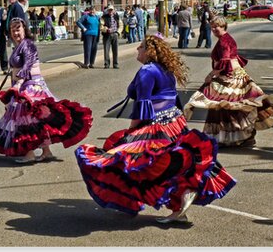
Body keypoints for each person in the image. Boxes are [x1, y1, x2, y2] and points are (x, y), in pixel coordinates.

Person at [75, 34, 236, 222]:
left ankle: (180, 195)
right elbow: (173, 99)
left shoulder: (147, 71)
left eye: (141, 47)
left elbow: (142, 106)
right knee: (168, 162)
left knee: (126, 161)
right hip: (174, 121)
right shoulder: (165, 69)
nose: (137, 49)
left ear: (149, 51)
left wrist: (130, 132)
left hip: (156, 125)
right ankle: (180, 201)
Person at [0, 18, 93, 163]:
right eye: (13, 30)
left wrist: (18, 84)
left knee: (25, 119)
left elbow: (27, 65)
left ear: (24, 29)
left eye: (18, 29)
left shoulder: (28, 44)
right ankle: (46, 151)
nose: (15, 32)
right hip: (25, 85)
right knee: (36, 119)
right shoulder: (20, 45)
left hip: (30, 86)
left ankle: (29, 153)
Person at [184, 16, 273, 147]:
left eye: (217, 26)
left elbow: (225, 60)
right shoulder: (226, 39)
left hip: (229, 76)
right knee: (230, 107)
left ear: (223, 26)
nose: (214, 29)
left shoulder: (224, 41)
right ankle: (241, 136)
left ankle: (232, 136)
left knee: (220, 106)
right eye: (212, 27)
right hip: (232, 75)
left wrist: (211, 75)